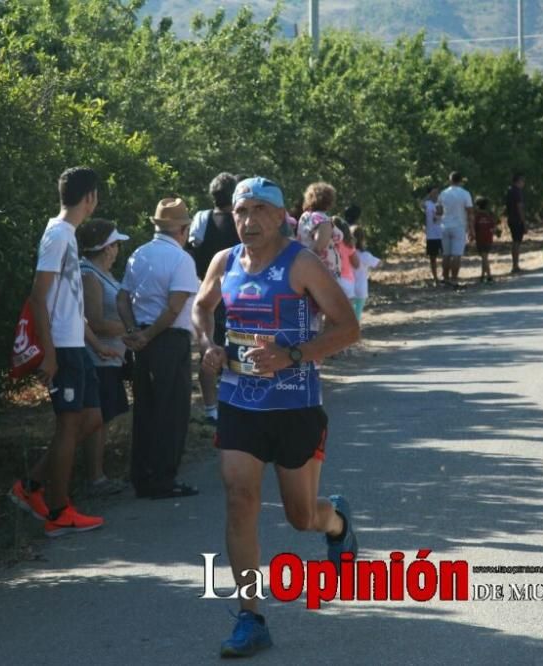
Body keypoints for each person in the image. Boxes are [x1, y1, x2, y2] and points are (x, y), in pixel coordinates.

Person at [192, 177, 360, 658]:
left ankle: (337, 523)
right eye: (242, 211)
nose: (248, 220)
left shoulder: (301, 263)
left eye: (259, 210)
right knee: (240, 498)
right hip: (240, 403)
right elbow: (202, 310)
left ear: (281, 216)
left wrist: (293, 355)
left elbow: (348, 328)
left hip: (295, 405)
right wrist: (209, 346)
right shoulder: (224, 262)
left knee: (301, 516)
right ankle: (251, 616)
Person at [10, 166, 116, 537]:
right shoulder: (56, 235)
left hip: (76, 345)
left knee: (91, 418)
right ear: (90, 197)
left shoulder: (67, 235)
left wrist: (93, 341)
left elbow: (67, 300)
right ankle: (59, 510)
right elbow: (39, 297)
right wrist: (51, 353)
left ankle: (31, 486)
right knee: (70, 425)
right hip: (63, 349)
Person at [117, 198, 200, 499]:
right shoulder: (182, 260)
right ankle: (164, 477)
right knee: (173, 410)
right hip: (168, 337)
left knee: (146, 408)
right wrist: (149, 334)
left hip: (143, 337)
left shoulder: (140, 254)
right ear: (182, 228)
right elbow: (175, 306)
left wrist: (133, 331)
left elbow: (122, 297)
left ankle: (142, 474)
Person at [76, 219, 132, 497]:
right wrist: (132, 328)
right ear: (106, 248)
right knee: (96, 419)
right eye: (116, 244)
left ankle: (97, 475)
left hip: (111, 357)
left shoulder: (102, 273)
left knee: (103, 418)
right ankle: (94, 478)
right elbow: (94, 321)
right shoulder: (89, 274)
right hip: (98, 357)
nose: (118, 249)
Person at [188, 173, 240, 424]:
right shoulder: (244, 222)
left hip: (204, 291)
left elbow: (192, 248)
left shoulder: (201, 219)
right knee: (237, 350)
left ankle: (211, 409)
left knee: (207, 351)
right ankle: (235, 402)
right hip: (236, 294)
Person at [297, 182, 340, 279]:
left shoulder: (306, 216)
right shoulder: (323, 220)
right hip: (322, 272)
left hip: (305, 265)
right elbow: (318, 247)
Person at [437, 172, 473, 286]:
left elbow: (439, 211)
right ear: (461, 180)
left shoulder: (443, 193)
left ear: (450, 180)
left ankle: (445, 277)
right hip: (459, 226)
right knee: (456, 254)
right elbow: (470, 212)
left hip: (445, 226)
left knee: (446, 254)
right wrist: (471, 229)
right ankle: (454, 279)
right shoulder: (465, 194)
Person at [351, 225, 381, 322]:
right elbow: (378, 263)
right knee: (357, 314)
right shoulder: (365, 255)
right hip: (361, 289)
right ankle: (355, 334)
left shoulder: (347, 254)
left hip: (348, 289)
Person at [470, 196, 498, 283]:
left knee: (484, 257)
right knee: (484, 257)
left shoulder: (477, 217)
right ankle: (482, 276)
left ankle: (489, 275)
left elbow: (473, 227)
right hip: (488, 238)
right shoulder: (489, 215)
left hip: (480, 239)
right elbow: (494, 228)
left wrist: (472, 236)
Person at [332, 216, 360, 301]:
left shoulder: (328, 243)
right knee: (347, 311)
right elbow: (356, 264)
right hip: (346, 280)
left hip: (331, 279)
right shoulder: (348, 244)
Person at [420, 187, 443, 285]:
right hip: (431, 236)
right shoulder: (427, 204)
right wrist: (429, 196)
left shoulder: (441, 203)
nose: (436, 194)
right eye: (434, 192)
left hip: (442, 234)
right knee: (433, 258)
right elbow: (420, 204)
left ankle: (445, 276)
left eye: (437, 192)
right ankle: (435, 278)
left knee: (446, 256)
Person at [505, 173, 525, 273]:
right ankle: (515, 265)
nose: (523, 183)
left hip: (511, 219)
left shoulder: (509, 191)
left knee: (515, 241)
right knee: (517, 242)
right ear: (518, 181)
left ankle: (515, 264)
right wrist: (523, 220)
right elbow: (519, 206)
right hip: (517, 219)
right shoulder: (517, 192)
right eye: (522, 181)